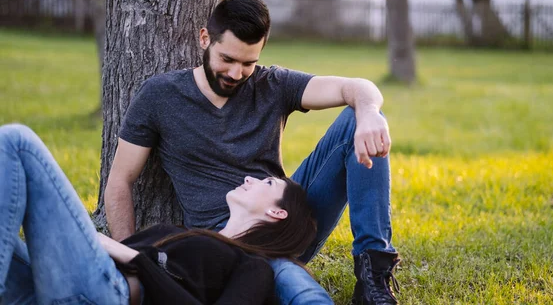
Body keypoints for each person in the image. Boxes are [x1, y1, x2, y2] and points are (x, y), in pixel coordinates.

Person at [105, 0, 400, 305]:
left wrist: (368, 113)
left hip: (284, 216)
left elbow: (355, 87)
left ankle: (374, 276)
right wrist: (132, 259)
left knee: (361, 116)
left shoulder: (273, 84)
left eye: (248, 63)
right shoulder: (160, 96)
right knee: (290, 281)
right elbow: (120, 181)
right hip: (227, 240)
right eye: (227, 59)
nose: (236, 74)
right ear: (205, 38)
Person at [0, 124, 316, 305]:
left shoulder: (253, 268)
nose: (251, 178)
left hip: (109, 294)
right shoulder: (186, 232)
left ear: (278, 212)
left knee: (17, 142)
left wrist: (135, 260)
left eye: (268, 182)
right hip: (63, 283)